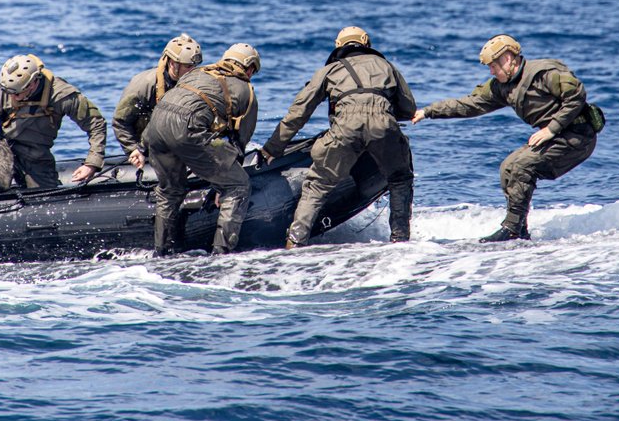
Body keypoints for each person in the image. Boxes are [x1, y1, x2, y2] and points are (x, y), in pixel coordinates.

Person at [412, 34, 597, 242]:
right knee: (508, 168)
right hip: (557, 136)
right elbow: (469, 104)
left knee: (522, 166)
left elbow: (577, 95)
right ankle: (520, 229)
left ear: (508, 59)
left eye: (493, 66)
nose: (491, 71)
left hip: (578, 135)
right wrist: (428, 112)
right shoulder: (502, 86)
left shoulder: (543, 73)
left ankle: (512, 229)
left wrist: (551, 129)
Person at [260, 26, 418, 247]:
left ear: (338, 46)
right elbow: (409, 109)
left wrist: (272, 149)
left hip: (345, 128)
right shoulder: (387, 67)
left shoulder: (329, 70)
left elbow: (299, 113)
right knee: (400, 179)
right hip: (384, 126)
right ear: (366, 43)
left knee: (317, 185)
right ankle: (400, 240)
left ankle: (295, 242)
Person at [140, 43, 261, 256]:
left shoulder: (197, 73)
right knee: (238, 185)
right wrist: (220, 185)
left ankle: (161, 253)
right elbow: (238, 144)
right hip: (186, 131)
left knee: (170, 191)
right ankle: (221, 253)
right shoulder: (246, 91)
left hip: (155, 128)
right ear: (249, 67)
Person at [0, 54, 107, 192]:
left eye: (17, 93)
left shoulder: (62, 95)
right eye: (9, 92)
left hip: (37, 154)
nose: (12, 97)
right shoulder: (4, 90)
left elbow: (96, 124)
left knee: (46, 196)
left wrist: (92, 163)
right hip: (5, 146)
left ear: (33, 83)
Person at [112, 33, 203, 169]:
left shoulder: (192, 83)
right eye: (188, 66)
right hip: (147, 147)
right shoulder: (143, 85)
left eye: (194, 66)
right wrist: (134, 150)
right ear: (173, 64)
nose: (193, 70)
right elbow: (121, 122)